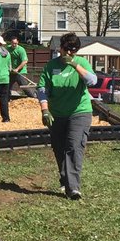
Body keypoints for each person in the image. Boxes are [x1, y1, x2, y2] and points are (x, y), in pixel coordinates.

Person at [37, 32, 97, 200]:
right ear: (60, 49)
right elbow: (42, 90)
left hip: (79, 112)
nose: (71, 53)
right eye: (68, 49)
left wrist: (74, 66)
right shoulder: (51, 66)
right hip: (57, 114)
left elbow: (92, 81)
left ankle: (74, 188)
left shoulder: (81, 62)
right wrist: (45, 109)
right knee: (59, 148)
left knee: (74, 146)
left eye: (74, 50)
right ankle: (65, 179)